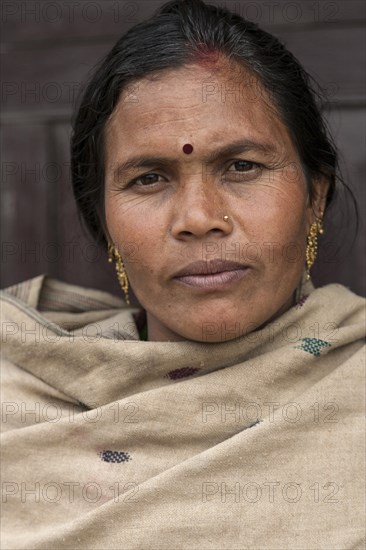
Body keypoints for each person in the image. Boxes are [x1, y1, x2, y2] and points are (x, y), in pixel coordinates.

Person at [1, 0, 365, 548]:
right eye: (149, 178)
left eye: (242, 166)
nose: (197, 219)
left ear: (315, 196)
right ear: (103, 222)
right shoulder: (17, 398)